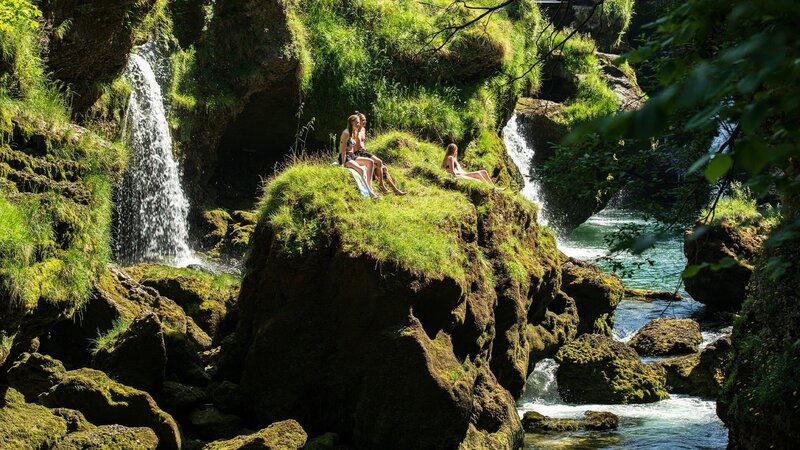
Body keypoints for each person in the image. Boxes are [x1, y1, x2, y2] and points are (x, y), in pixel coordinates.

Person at [355, 111, 406, 195]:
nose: (365, 122)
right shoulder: (354, 130)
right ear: (358, 121)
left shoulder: (363, 129)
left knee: (384, 168)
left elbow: (363, 143)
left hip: (365, 151)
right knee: (379, 162)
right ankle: (381, 186)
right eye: (363, 120)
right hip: (358, 153)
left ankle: (395, 189)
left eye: (365, 120)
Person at [340, 114, 380, 198]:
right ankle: (371, 193)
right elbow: (342, 150)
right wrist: (342, 163)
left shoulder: (354, 132)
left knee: (370, 162)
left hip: (352, 155)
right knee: (361, 170)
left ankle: (370, 187)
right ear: (351, 122)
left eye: (359, 122)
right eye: (357, 122)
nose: (359, 124)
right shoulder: (346, 133)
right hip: (346, 157)